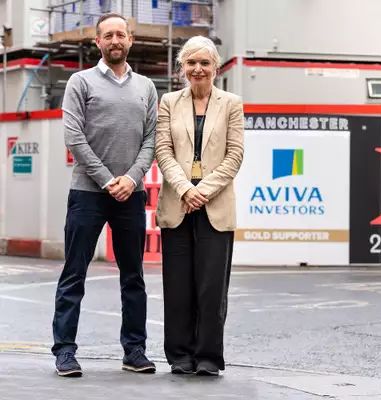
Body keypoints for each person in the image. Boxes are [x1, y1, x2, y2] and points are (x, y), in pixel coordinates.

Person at [51, 12, 157, 377]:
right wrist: (109, 180)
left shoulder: (146, 86)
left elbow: (151, 139)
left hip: (132, 194)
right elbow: (74, 137)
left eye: (120, 35)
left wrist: (131, 178)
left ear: (130, 40)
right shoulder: (80, 82)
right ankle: (65, 352)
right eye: (107, 35)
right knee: (74, 274)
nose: (115, 40)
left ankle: (135, 351)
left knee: (134, 277)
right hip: (88, 194)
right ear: (98, 42)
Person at [154, 35, 244, 376]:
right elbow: (163, 150)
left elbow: (235, 155)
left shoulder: (232, 103)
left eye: (204, 63)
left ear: (215, 67)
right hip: (177, 203)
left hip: (214, 204)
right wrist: (184, 189)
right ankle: (179, 355)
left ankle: (208, 357)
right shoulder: (168, 102)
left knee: (211, 288)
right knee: (177, 287)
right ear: (182, 67)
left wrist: (201, 191)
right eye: (191, 63)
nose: (198, 69)